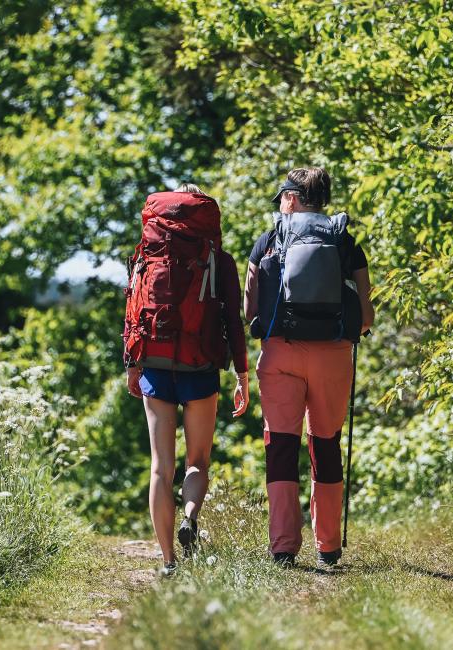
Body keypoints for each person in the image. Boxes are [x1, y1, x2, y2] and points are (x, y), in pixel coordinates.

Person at [245, 167, 373, 569]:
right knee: (325, 444)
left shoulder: (268, 241)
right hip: (333, 356)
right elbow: (366, 316)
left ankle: (284, 547)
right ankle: (328, 545)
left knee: (281, 446)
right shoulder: (344, 242)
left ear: (292, 198)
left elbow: (249, 310)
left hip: (280, 354)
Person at [123, 183, 251, 577]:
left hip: (156, 362)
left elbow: (131, 306)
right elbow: (234, 319)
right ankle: (190, 518)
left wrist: (131, 361)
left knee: (161, 467)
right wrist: (242, 373)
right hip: (201, 364)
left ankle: (167, 562)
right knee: (197, 461)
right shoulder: (218, 259)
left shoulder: (146, 253)